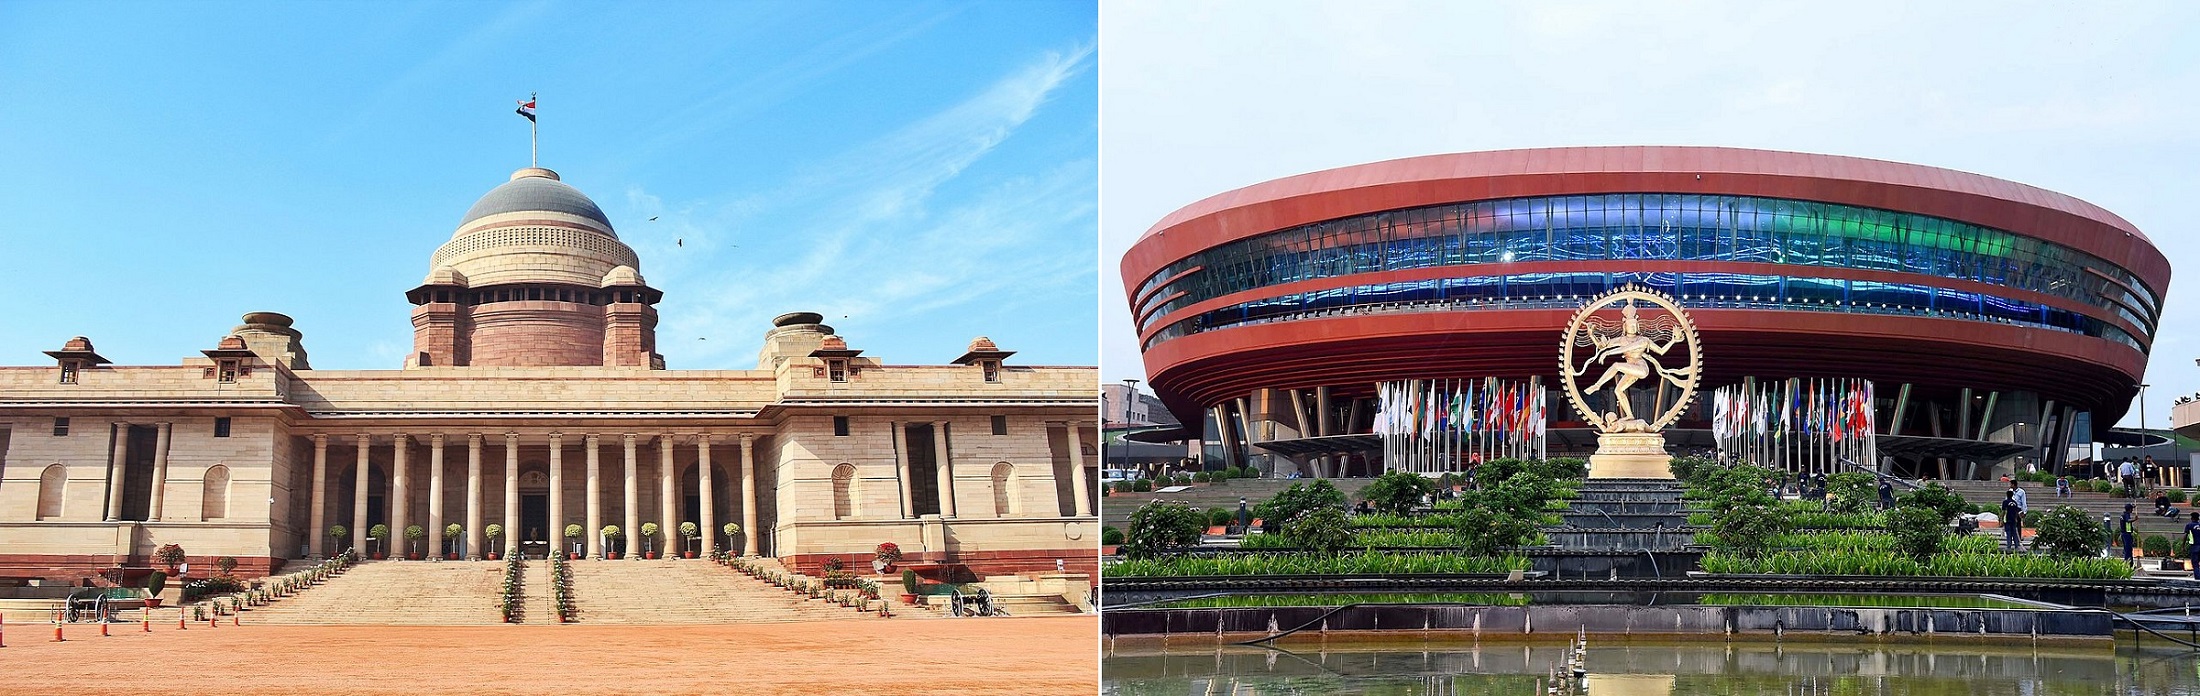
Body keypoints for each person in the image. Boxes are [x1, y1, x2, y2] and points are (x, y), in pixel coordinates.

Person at [2185, 512, 2200, 580]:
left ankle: (2197, 577)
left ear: (2192, 518)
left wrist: (2183, 545)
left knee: (2195, 563)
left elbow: (2185, 536)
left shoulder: (2189, 525)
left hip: (2194, 547)